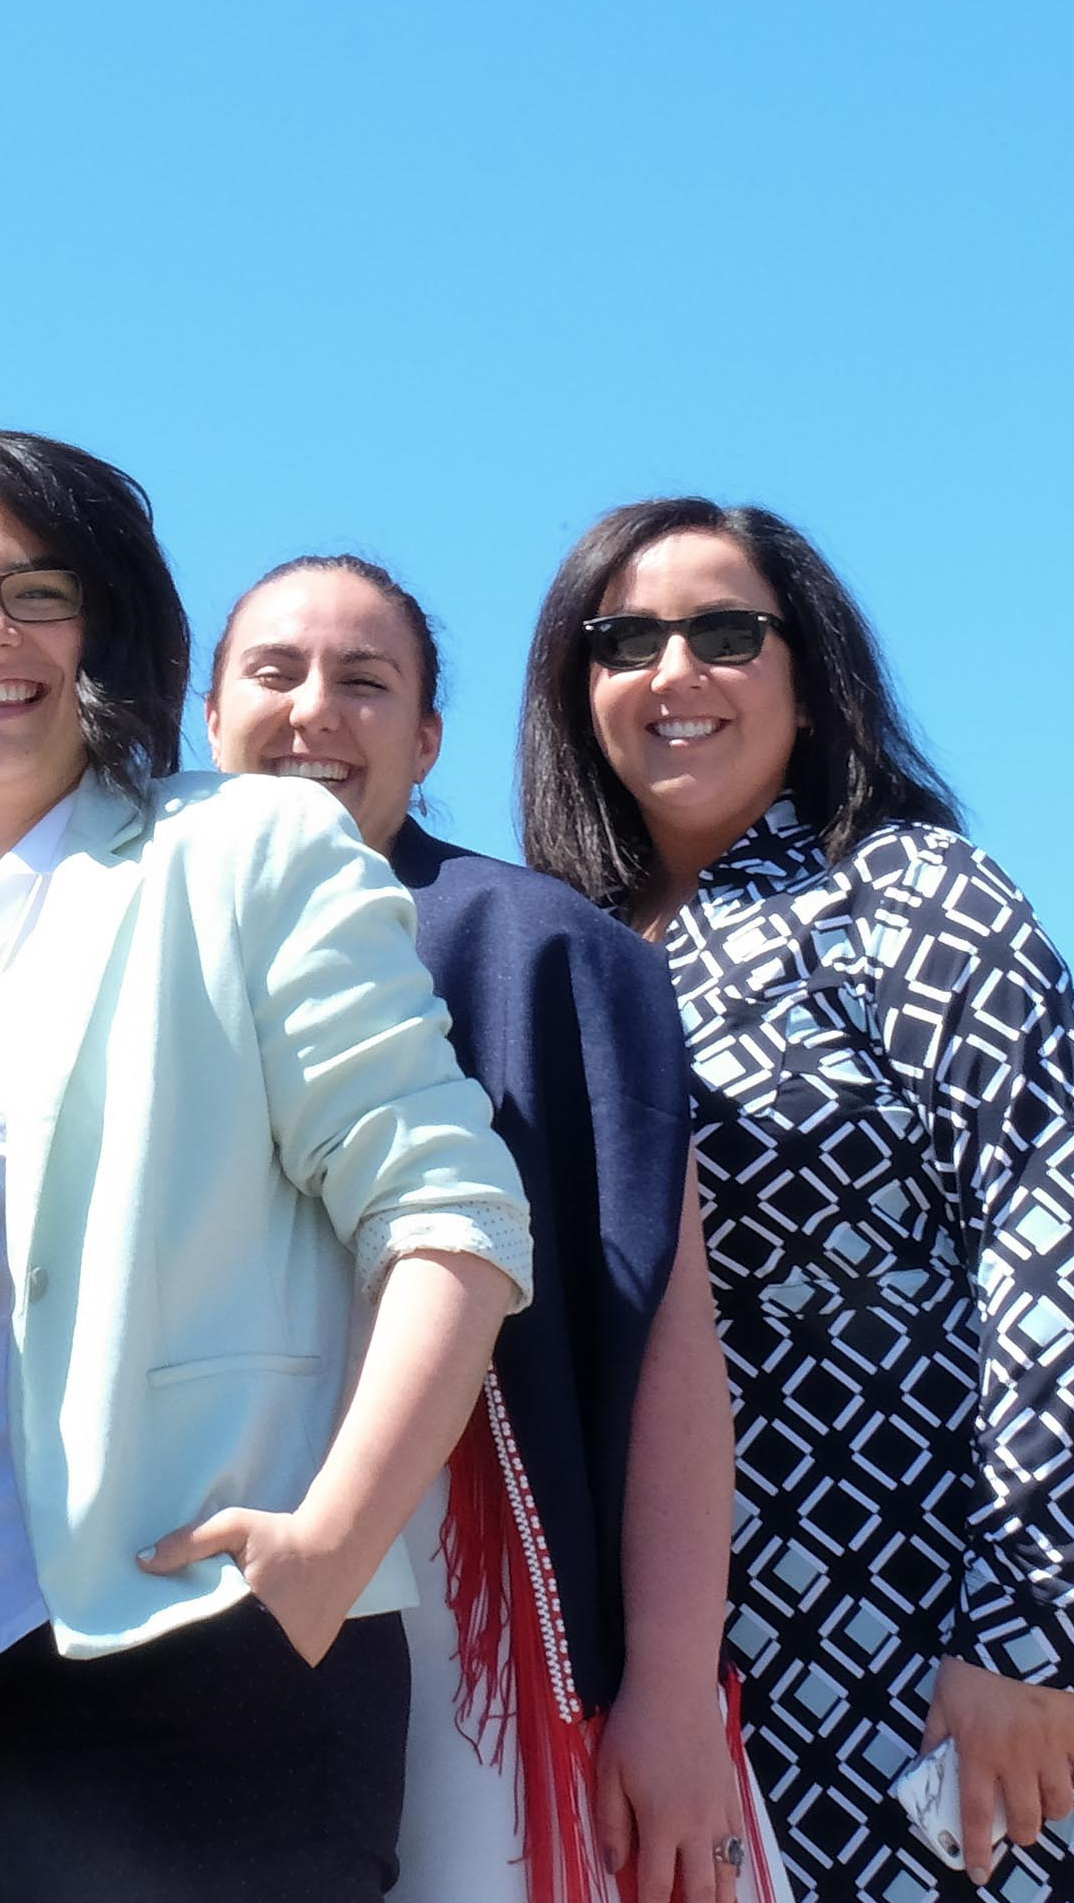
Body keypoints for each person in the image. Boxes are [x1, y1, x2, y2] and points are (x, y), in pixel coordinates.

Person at [0, 435, 531, 1902]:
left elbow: (451, 1214)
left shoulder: (250, 852)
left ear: (114, 628)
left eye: (37, 589)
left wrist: (329, 1550)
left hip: (196, 1665)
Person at [517, 499, 1074, 1903]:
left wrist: (1032, 1633)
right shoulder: (559, 954)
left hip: (931, 1643)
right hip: (661, 1680)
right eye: (624, 639)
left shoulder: (908, 895)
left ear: (809, 678)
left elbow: (1058, 1238)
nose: (674, 671)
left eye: (726, 632)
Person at [205, 555, 752, 1903]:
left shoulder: (544, 950)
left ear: (428, 738)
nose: (314, 712)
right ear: (208, 722)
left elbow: (669, 1341)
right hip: (199, 1594)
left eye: (365, 681)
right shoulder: (130, 943)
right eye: (273, 675)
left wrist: (675, 1687)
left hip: (471, 1612)